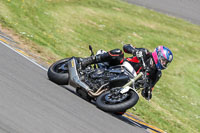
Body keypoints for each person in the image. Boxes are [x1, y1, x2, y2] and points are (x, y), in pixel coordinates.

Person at [80, 44, 173, 100]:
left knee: (120, 111)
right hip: (120, 67)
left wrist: (148, 93)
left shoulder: (157, 74)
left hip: (129, 83)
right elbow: (126, 47)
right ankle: (89, 60)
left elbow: (149, 89)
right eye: (163, 60)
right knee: (118, 52)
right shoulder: (145, 53)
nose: (164, 64)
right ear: (158, 55)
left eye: (166, 63)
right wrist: (134, 51)